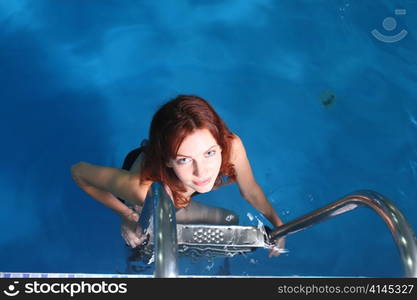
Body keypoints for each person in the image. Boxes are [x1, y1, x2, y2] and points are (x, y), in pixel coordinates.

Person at [71, 94, 285, 257]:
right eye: (184, 159)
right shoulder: (142, 190)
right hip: (147, 193)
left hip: (175, 183)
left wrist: (278, 224)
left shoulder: (231, 146)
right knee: (140, 245)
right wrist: (125, 216)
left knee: (231, 220)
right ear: (168, 160)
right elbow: (78, 171)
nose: (202, 171)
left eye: (209, 153)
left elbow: (250, 190)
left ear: (220, 144)